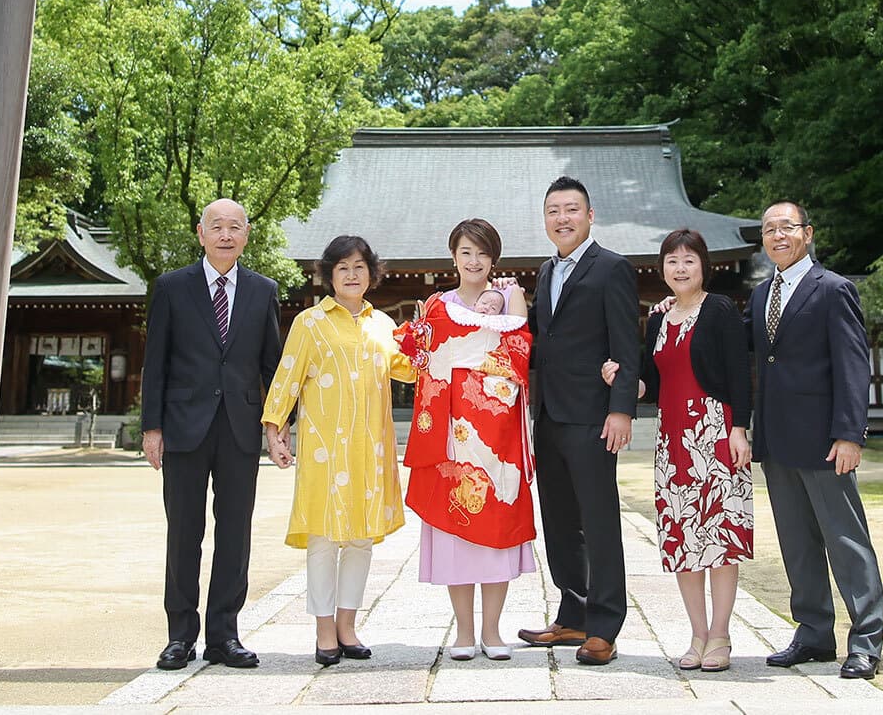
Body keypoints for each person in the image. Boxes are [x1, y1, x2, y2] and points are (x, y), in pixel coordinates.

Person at [141, 197, 283, 672]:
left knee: (235, 533)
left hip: (240, 427)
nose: (226, 235)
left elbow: (272, 366)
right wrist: (152, 427)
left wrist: (277, 424)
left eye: (235, 227)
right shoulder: (171, 287)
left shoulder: (263, 290)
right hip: (184, 426)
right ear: (201, 234)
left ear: (246, 235)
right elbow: (155, 362)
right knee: (184, 532)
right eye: (216, 226)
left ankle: (224, 634)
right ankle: (180, 636)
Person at [602, 229, 752, 672]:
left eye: (689, 260)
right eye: (672, 261)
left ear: (704, 266)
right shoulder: (658, 320)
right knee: (684, 537)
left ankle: (720, 635)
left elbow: (740, 373)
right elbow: (651, 384)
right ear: (662, 269)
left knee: (721, 537)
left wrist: (739, 429)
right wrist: (622, 381)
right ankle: (697, 634)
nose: (680, 268)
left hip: (715, 431)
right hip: (673, 440)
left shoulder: (720, 309)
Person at [748, 201, 883, 680]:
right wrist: (678, 305)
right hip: (776, 440)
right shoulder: (761, 294)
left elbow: (853, 365)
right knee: (797, 543)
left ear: (807, 233)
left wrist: (850, 434)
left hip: (825, 441)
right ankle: (813, 634)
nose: (777, 236)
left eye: (786, 227)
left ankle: (865, 642)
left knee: (846, 541)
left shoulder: (832, 289)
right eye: (769, 229)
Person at [262, 235, 414, 666]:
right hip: (324, 451)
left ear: (371, 274)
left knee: (361, 539)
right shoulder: (309, 323)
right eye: (343, 267)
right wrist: (275, 428)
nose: (351, 274)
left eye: (359, 266)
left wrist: (434, 340)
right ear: (329, 275)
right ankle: (324, 628)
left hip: (371, 449)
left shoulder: (382, 324)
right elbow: (287, 377)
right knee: (325, 539)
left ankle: (348, 625)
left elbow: (410, 369)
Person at [397, 218, 536, 661]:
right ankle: (463, 631)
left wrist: (472, 361)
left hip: (497, 434)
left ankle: (492, 631)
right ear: (453, 257)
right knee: (454, 532)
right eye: (466, 253)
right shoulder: (437, 304)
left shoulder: (510, 297)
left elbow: (518, 351)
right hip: (451, 433)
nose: (474, 261)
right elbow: (423, 362)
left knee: (496, 527)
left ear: (494, 259)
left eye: (482, 253)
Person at [517, 177, 638, 666]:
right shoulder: (546, 271)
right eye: (553, 211)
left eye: (571, 209)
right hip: (549, 415)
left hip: (593, 416)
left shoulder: (612, 268)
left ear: (590, 216)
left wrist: (621, 408)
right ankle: (573, 614)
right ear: (545, 220)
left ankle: (604, 626)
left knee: (599, 521)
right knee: (560, 521)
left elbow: (626, 342)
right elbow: (540, 338)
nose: (562, 218)